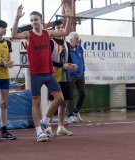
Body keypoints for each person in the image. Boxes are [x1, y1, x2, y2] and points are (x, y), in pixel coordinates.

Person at [11, 4, 72, 142]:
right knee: (36, 103)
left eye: (36, 19)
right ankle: (39, 131)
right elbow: (14, 35)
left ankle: (45, 120)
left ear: (41, 20)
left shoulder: (47, 33)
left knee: (60, 98)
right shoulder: (28, 35)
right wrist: (17, 18)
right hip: (36, 74)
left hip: (49, 73)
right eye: (31, 20)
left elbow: (65, 33)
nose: (33, 22)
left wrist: (68, 18)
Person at [48, 20, 77, 136]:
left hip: (65, 77)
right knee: (53, 102)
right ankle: (47, 126)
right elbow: (48, 60)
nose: (61, 29)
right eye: (58, 27)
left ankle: (61, 127)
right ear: (53, 29)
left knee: (64, 102)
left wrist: (72, 65)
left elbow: (68, 59)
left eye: (62, 27)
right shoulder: (50, 42)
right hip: (54, 76)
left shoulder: (67, 44)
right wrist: (61, 65)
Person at [67, 32, 85, 123]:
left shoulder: (80, 48)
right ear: (71, 40)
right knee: (70, 96)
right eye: (76, 39)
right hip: (71, 75)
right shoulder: (66, 48)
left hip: (80, 75)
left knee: (82, 94)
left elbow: (82, 59)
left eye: (78, 39)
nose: (78, 41)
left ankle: (76, 111)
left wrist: (83, 69)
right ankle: (69, 116)